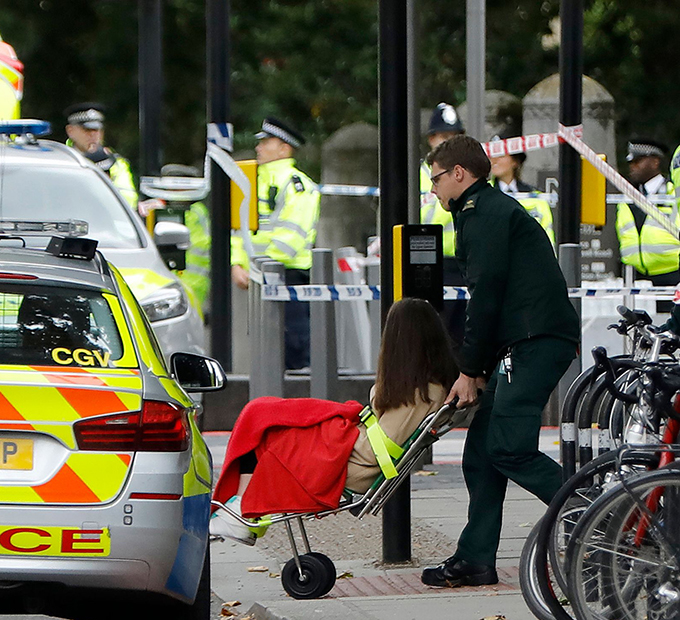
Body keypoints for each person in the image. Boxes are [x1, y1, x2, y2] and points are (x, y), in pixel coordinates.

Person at [420, 135, 580, 588]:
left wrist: (470, 371)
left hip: (534, 342)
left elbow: (485, 298)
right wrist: (480, 368)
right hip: (523, 341)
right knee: (481, 455)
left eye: (435, 179)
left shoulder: (483, 214)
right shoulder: (484, 211)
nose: (432, 189)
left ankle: (600, 514)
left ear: (458, 174)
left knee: (508, 447)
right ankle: (475, 559)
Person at [209, 298, 458, 545]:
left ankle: (239, 511)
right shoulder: (431, 387)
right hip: (362, 452)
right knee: (266, 417)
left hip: (356, 459)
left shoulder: (414, 390)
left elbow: (376, 432)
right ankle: (241, 509)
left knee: (267, 425)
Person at [230, 117, 320, 370]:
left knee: (293, 348)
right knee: (266, 352)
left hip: (287, 275)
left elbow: (291, 233)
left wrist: (259, 267)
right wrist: (237, 263)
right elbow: (239, 228)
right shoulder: (250, 182)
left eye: (266, 143)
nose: (258, 148)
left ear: (284, 148)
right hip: (260, 277)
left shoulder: (296, 184)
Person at [421, 103, 468, 349]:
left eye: (454, 137)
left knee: (462, 334)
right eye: (443, 138)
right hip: (429, 262)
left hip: (462, 262)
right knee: (436, 336)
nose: (448, 143)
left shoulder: (464, 175)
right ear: (431, 139)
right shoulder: (418, 175)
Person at [616, 139, 678, 308]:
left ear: (655, 161)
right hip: (635, 277)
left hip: (672, 275)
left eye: (637, 161)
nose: (632, 167)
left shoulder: (673, 193)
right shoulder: (627, 196)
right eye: (630, 162)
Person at [63, 102, 138, 209]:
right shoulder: (61, 160)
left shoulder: (115, 163)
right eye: (87, 130)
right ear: (70, 131)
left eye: (97, 130)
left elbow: (129, 200)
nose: (93, 135)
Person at [160, 164, 211, 314]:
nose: (171, 193)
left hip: (193, 284)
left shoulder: (195, 214)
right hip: (175, 283)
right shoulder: (167, 212)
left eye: (175, 188)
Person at [489, 129, 555, 246]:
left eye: (501, 155)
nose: (494, 160)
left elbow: (547, 238)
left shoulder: (535, 197)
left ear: (515, 161)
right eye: (492, 154)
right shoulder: (484, 193)